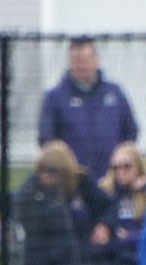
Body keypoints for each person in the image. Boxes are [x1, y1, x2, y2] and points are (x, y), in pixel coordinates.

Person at [37, 37, 140, 184]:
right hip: (72, 181)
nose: (82, 65)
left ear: (95, 60)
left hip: (111, 180)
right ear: (69, 62)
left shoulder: (114, 93)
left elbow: (131, 132)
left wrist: (120, 164)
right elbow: (46, 139)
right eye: (77, 60)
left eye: (86, 59)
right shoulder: (55, 97)